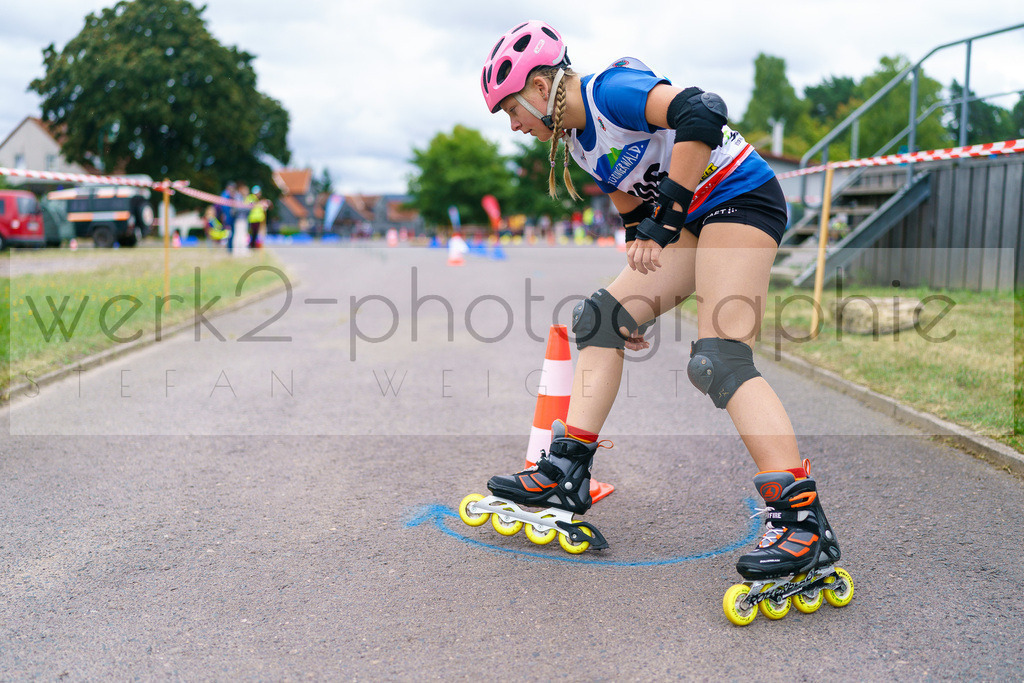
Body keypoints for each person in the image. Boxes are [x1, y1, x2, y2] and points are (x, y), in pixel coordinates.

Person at [475, 20, 851, 617]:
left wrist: (667, 217)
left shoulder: (610, 92)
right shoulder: (575, 142)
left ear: (542, 87)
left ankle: (802, 523)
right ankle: (566, 473)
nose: (513, 125)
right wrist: (641, 286)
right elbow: (633, 213)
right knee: (599, 318)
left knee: (719, 359)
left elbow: (702, 114)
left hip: (739, 196)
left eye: (511, 109)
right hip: (691, 218)